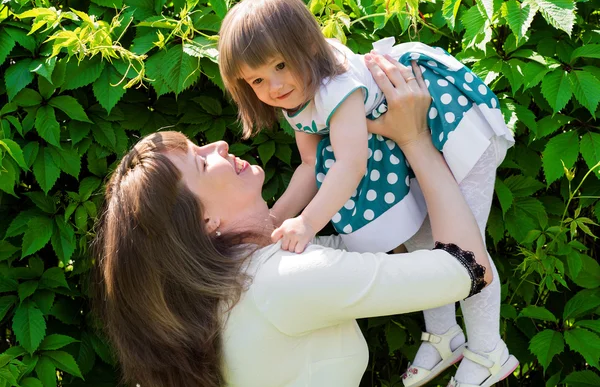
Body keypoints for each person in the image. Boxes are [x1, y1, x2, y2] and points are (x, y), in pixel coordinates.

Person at [94, 53, 500, 387]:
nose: (218, 144)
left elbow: (360, 250)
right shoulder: (283, 281)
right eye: (201, 161)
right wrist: (414, 140)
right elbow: (469, 268)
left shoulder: (231, 285)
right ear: (203, 221)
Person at [217, 0, 516, 386]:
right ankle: (445, 336)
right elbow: (310, 165)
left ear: (307, 45)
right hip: (401, 142)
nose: (273, 85)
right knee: (425, 243)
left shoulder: (334, 86)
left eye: (281, 64)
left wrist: (306, 224)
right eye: (256, 79)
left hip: (446, 121)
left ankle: (488, 350)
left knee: (465, 242)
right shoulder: (295, 96)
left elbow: (352, 163)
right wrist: (273, 221)